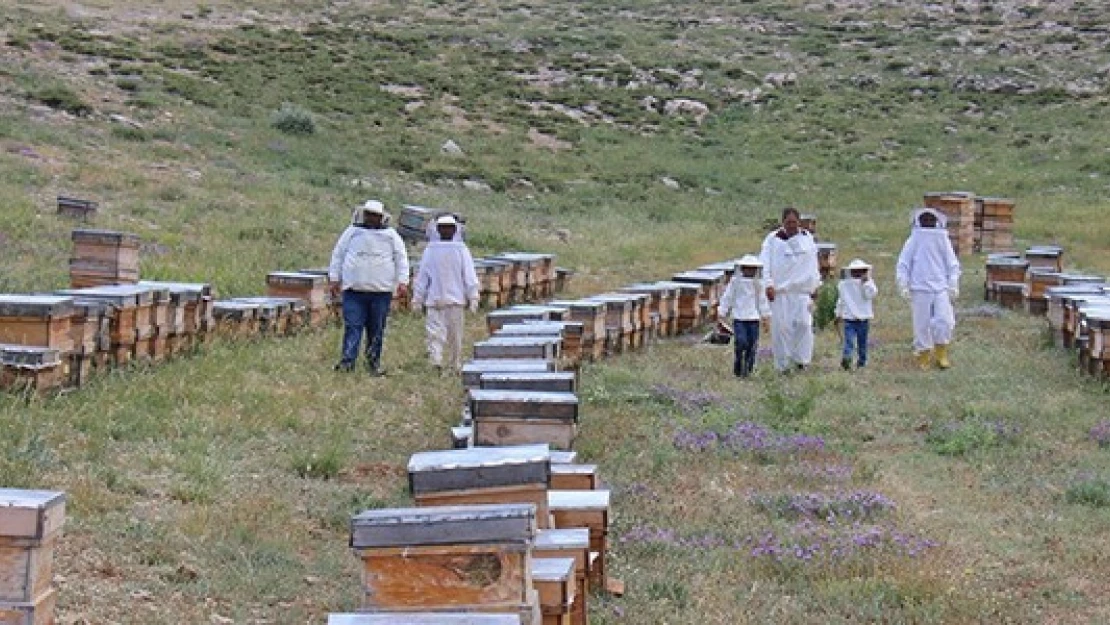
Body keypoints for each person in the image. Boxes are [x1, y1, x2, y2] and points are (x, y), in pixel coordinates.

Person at [328, 199, 410, 375]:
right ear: (363, 215)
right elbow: (338, 255)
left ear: (381, 217)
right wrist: (334, 279)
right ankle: (347, 363)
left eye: (374, 215)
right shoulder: (351, 232)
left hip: (380, 292)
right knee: (352, 327)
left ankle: (373, 364)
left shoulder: (391, 236)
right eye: (368, 214)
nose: (371, 218)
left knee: (376, 329)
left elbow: (401, 259)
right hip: (353, 290)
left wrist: (403, 281)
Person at [411, 215, 481, 373]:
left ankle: (454, 364)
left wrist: (473, 296)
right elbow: (422, 277)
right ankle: (435, 362)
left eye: (449, 227)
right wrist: (417, 298)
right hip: (434, 300)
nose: (446, 230)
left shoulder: (462, 250)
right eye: (443, 227)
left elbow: (469, 275)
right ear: (437, 229)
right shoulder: (430, 250)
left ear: (455, 229)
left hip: (455, 301)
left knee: (455, 337)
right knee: (434, 334)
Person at [896, 207, 961, 370]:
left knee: (944, 320)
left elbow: (952, 263)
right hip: (919, 288)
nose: (928, 223)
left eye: (930, 220)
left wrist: (953, 283)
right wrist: (903, 284)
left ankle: (941, 353)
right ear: (919, 222)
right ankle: (923, 354)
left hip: (940, 287)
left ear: (936, 222)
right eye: (925, 220)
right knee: (921, 324)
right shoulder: (914, 239)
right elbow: (903, 263)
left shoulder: (942, 239)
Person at [759, 207, 822, 372]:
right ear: (783, 222)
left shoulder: (807, 238)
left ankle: (802, 361)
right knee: (781, 329)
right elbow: (764, 263)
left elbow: (812, 263)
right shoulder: (772, 240)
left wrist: (816, 284)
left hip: (802, 292)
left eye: (794, 222)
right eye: (788, 222)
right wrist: (768, 284)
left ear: (799, 222)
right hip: (781, 293)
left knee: (804, 325)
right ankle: (783, 365)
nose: (792, 225)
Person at [718, 254, 771, 378]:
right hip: (739, 318)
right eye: (747, 268)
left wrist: (766, 317)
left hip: (754, 318)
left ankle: (748, 370)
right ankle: (738, 367)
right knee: (741, 343)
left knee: (752, 345)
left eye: (752, 268)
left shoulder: (758, 284)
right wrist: (722, 312)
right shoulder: (735, 282)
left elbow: (762, 301)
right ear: (741, 269)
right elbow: (728, 297)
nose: (749, 271)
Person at [834, 258, 878, 370]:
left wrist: (866, 283)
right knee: (849, 342)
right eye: (856, 271)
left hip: (863, 320)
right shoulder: (844, 285)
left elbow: (871, 294)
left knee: (862, 343)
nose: (858, 273)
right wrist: (838, 314)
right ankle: (847, 361)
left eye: (861, 271)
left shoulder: (868, 283)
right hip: (849, 320)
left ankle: (861, 363)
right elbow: (841, 300)